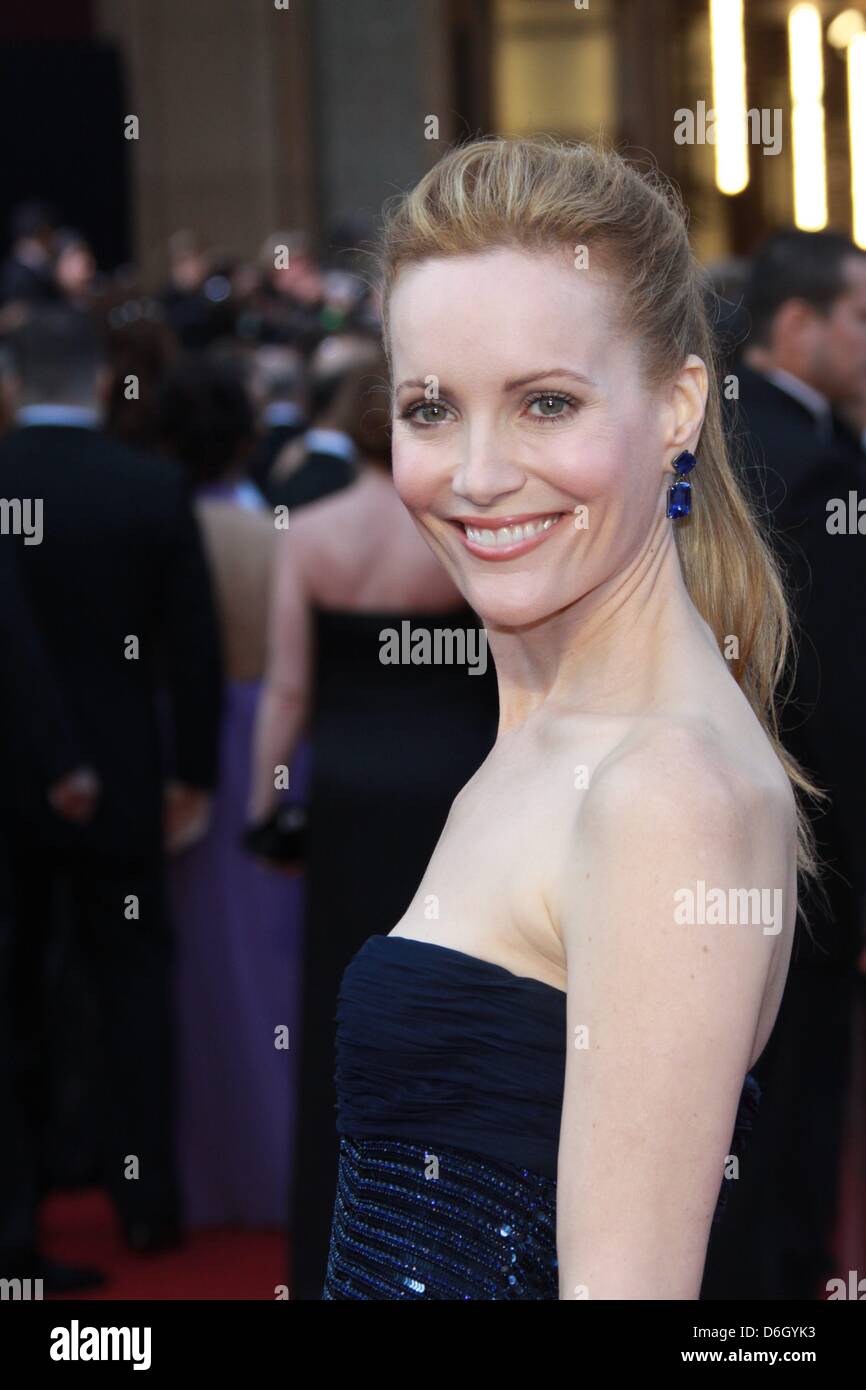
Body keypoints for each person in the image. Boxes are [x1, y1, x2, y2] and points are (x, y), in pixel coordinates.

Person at [320, 136, 812, 1301]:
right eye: (430, 408)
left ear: (676, 406)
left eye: (544, 403)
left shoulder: (663, 793)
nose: (478, 473)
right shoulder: (544, 727)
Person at [247, 339, 498, 1299]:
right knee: (452, 1023)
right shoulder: (464, 532)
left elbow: (286, 693)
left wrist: (266, 809)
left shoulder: (307, 535)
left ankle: (337, 1261)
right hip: (456, 794)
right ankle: (458, 1257)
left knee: (345, 1029)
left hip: (348, 801)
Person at [0, 304, 222, 1255]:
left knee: (11, 1000)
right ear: (101, 380)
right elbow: (195, 652)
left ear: (12, 382)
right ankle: (149, 1205)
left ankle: (17, 1214)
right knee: (133, 987)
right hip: (128, 781)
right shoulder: (150, 487)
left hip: (8, 791)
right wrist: (195, 775)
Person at [702, 230, 866, 1299]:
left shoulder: (720, 435)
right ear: (797, 326)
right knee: (790, 1105)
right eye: (858, 317)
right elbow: (837, 694)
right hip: (805, 847)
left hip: (714, 829)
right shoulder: (809, 462)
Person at [158, 355, 306, 1227]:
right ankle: (285, 1160)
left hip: (187, 746)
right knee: (274, 966)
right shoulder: (276, 534)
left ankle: (205, 1167)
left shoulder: (162, 528)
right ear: (247, 438)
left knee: (201, 969)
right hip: (276, 746)